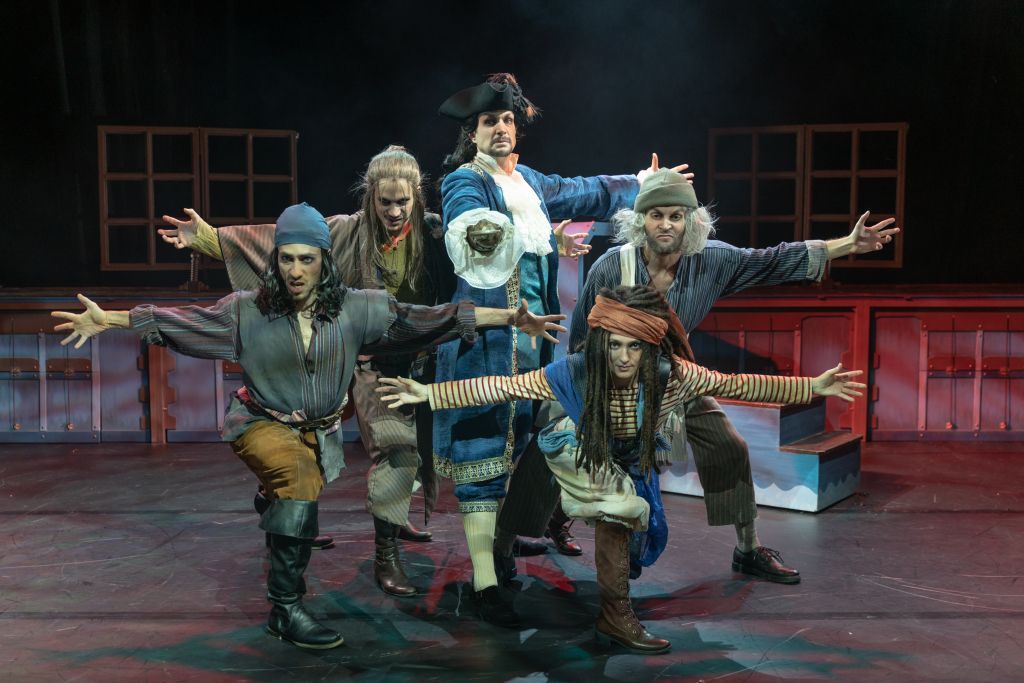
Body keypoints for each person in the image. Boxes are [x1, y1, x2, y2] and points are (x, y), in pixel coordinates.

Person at [52, 202, 565, 650]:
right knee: (297, 483)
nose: (296, 270)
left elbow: (427, 318)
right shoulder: (246, 311)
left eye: (306, 259)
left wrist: (509, 318)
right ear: (274, 261)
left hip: (318, 430)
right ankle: (286, 608)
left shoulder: (356, 309)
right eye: (287, 259)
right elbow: (180, 322)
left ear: (324, 261)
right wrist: (110, 320)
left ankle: (273, 502)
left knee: (300, 483)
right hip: (259, 421)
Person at [378, 284, 865, 652]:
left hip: (626, 461)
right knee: (588, 501)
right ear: (601, 344)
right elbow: (502, 386)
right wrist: (428, 393)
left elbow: (737, 383)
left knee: (627, 522)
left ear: (650, 348)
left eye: (634, 347)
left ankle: (603, 587)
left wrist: (811, 387)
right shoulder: (574, 372)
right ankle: (597, 605)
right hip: (573, 449)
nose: (624, 357)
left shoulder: (672, 375)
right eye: (615, 345)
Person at [433, 72, 689, 624]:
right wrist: (505, 233)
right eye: (489, 121)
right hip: (487, 341)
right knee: (483, 451)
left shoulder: (527, 179)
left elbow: (583, 190)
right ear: (472, 133)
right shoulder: (464, 181)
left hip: (534, 344)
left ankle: (504, 549)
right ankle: (484, 583)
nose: (501, 128)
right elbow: (470, 227)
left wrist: (640, 182)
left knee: (524, 447)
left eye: (507, 119)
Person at [569, 169, 899, 583]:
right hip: (617, 385)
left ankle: (748, 548)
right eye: (656, 215)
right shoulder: (611, 267)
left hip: (677, 378)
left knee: (729, 446)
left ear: (691, 221)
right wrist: (587, 402)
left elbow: (773, 260)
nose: (666, 225)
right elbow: (580, 341)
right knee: (567, 453)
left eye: (675, 216)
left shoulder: (712, 261)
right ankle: (551, 525)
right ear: (640, 220)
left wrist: (847, 245)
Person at [159, 146, 456, 597]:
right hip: (350, 357)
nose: (395, 212)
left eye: (403, 202)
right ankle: (295, 513)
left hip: (410, 364)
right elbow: (278, 242)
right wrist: (208, 239)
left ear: (417, 197)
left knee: (405, 451)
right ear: (370, 197)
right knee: (319, 444)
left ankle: (387, 535)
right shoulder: (346, 231)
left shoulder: (434, 233)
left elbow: (482, 240)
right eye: (385, 202)